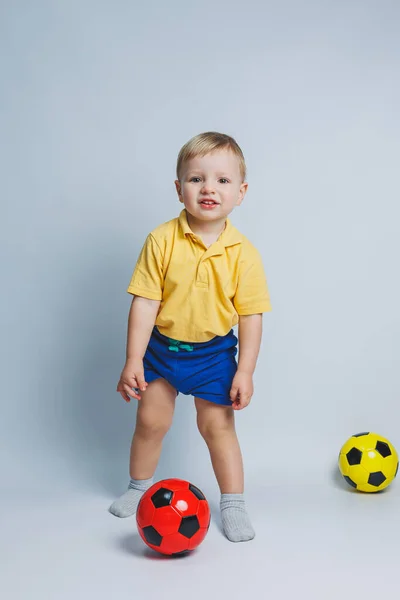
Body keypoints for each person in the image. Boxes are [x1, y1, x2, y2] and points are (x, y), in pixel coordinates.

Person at [109, 132, 272, 542]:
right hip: (162, 351)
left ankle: (233, 503)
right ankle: (139, 486)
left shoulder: (244, 253)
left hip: (213, 356)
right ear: (179, 189)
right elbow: (145, 303)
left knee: (217, 427)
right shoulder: (161, 239)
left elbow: (251, 316)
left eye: (222, 180)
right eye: (196, 179)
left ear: (241, 191)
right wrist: (133, 359)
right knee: (150, 421)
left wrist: (246, 371)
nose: (209, 188)